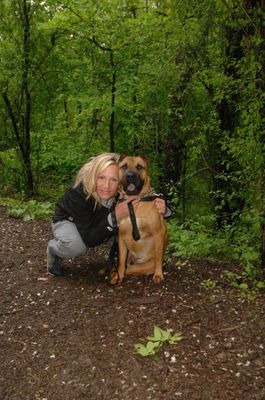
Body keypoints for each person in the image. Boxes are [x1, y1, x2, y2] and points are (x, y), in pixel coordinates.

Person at [47, 152, 168, 276]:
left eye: (113, 179)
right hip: (70, 221)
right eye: (101, 177)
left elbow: (145, 196)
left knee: (119, 229)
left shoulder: (122, 189)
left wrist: (162, 208)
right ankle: (55, 251)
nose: (107, 185)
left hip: (99, 221)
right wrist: (115, 216)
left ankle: (116, 258)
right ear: (94, 175)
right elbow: (90, 239)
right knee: (76, 246)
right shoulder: (77, 194)